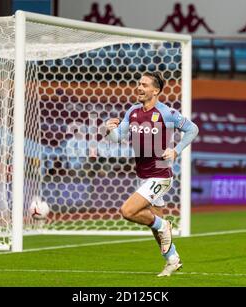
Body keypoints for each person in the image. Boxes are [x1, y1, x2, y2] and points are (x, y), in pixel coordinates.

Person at [104, 72, 199, 277]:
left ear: (155, 90)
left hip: (161, 173)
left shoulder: (167, 113)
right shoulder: (133, 111)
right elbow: (116, 138)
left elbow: (192, 129)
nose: (139, 87)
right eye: (138, 83)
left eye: (144, 85)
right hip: (144, 175)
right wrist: (108, 130)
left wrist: (176, 150)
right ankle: (173, 260)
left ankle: (163, 224)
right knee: (157, 230)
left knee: (128, 211)